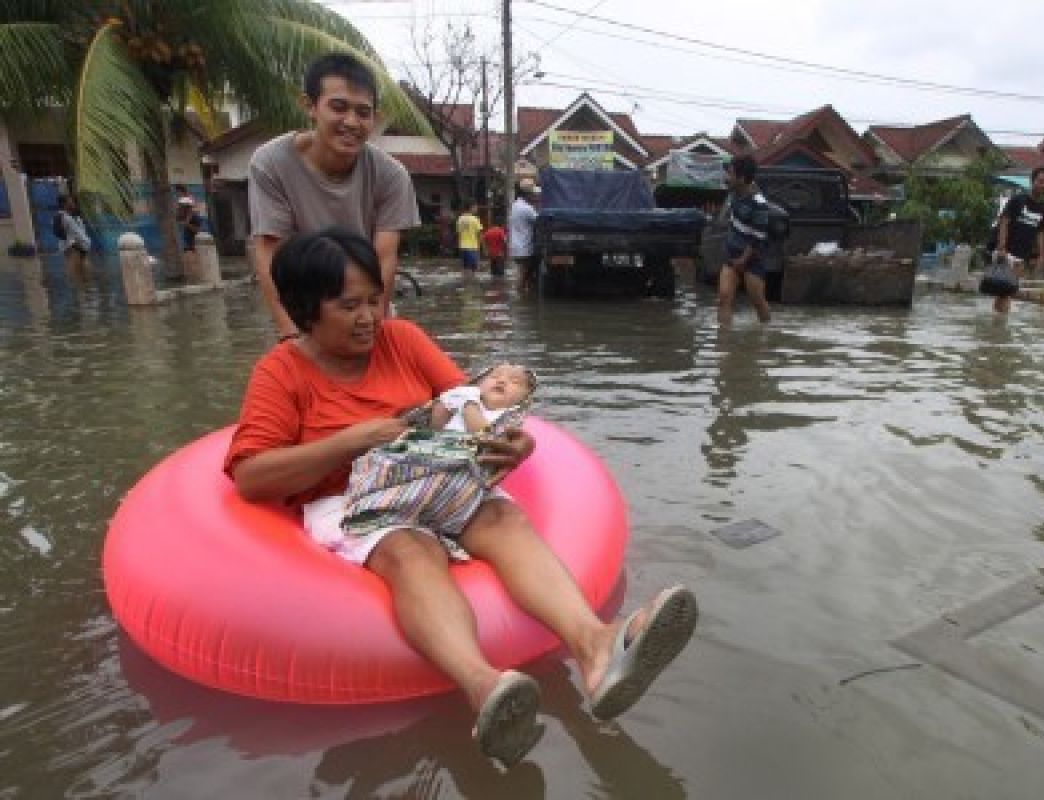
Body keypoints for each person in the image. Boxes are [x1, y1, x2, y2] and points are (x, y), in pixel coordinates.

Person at [224, 227, 698, 767]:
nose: (367, 318)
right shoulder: (281, 373)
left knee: (500, 516)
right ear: (307, 309)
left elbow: (473, 405)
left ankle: (596, 647)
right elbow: (252, 476)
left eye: (374, 300)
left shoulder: (401, 340)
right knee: (409, 549)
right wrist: (353, 440)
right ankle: (486, 689)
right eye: (348, 305)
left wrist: (512, 441)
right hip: (357, 501)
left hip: (433, 475)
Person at [248, 52, 420, 342]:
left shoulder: (392, 175)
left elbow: (384, 259)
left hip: (367, 309)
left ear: (374, 118)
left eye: (363, 113)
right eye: (338, 108)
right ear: (310, 106)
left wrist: (373, 328)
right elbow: (270, 251)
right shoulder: (270, 164)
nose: (351, 122)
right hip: (304, 310)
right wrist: (289, 331)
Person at [342, 363, 538, 564]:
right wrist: (444, 405)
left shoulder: (504, 417)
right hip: (436, 449)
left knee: (439, 480)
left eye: (515, 382)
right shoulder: (462, 399)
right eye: (495, 376)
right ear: (478, 383)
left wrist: (469, 405)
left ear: (524, 399)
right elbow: (437, 427)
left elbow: (483, 436)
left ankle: (416, 508)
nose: (502, 381)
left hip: (463, 460)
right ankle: (374, 498)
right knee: (387, 457)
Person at [991, 166, 1044, 314]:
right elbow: (1004, 222)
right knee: (1005, 291)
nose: (1043, 185)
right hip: (1006, 251)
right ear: (1033, 181)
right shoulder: (1017, 200)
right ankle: (999, 324)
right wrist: (1001, 248)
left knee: (1006, 291)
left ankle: (997, 323)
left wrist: (1041, 255)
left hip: (1022, 254)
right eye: (1040, 181)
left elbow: (1040, 232)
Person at [717, 155, 771, 324]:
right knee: (724, 298)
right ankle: (723, 344)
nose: (727, 177)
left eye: (730, 174)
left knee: (758, 302)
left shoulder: (759, 203)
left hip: (752, 259)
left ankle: (765, 334)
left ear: (741, 178)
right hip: (732, 256)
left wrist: (744, 260)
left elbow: (758, 237)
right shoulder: (732, 194)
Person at [509, 179, 540, 293]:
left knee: (522, 273)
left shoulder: (516, 205)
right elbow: (540, 222)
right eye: (533, 194)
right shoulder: (527, 208)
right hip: (524, 248)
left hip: (516, 246)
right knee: (523, 275)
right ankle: (520, 297)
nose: (535, 196)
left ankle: (521, 296)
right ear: (528, 194)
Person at [55, 196, 91, 268]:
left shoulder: (74, 217)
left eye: (72, 202)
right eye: (70, 201)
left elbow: (79, 233)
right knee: (77, 274)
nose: (73, 203)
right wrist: (74, 246)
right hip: (74, 251)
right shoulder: (60, 216)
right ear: (64, 204)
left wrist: (83, 248)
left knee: (85, 274)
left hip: (82, 250)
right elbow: (58, 232)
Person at [456, 202, 483, 277]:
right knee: (473, 271)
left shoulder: (460, 219)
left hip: (462, 247)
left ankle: (464, 286)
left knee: (465, 269)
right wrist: (482, 247)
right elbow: (479, 234)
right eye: (475, 207)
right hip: (472, 247)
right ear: (471, 207)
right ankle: (471, 286)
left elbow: (459, 233)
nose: (477, 209)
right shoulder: (475, 219)